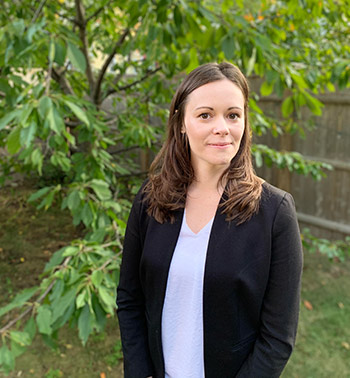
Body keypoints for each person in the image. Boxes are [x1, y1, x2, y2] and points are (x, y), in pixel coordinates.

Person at [116, 62, 303, 378]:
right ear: (181, 124)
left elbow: (277, 338)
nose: (222, 127)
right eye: (205, 115)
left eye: (233, 115)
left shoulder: (275, 213)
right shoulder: (151, 198)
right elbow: (130, 299)